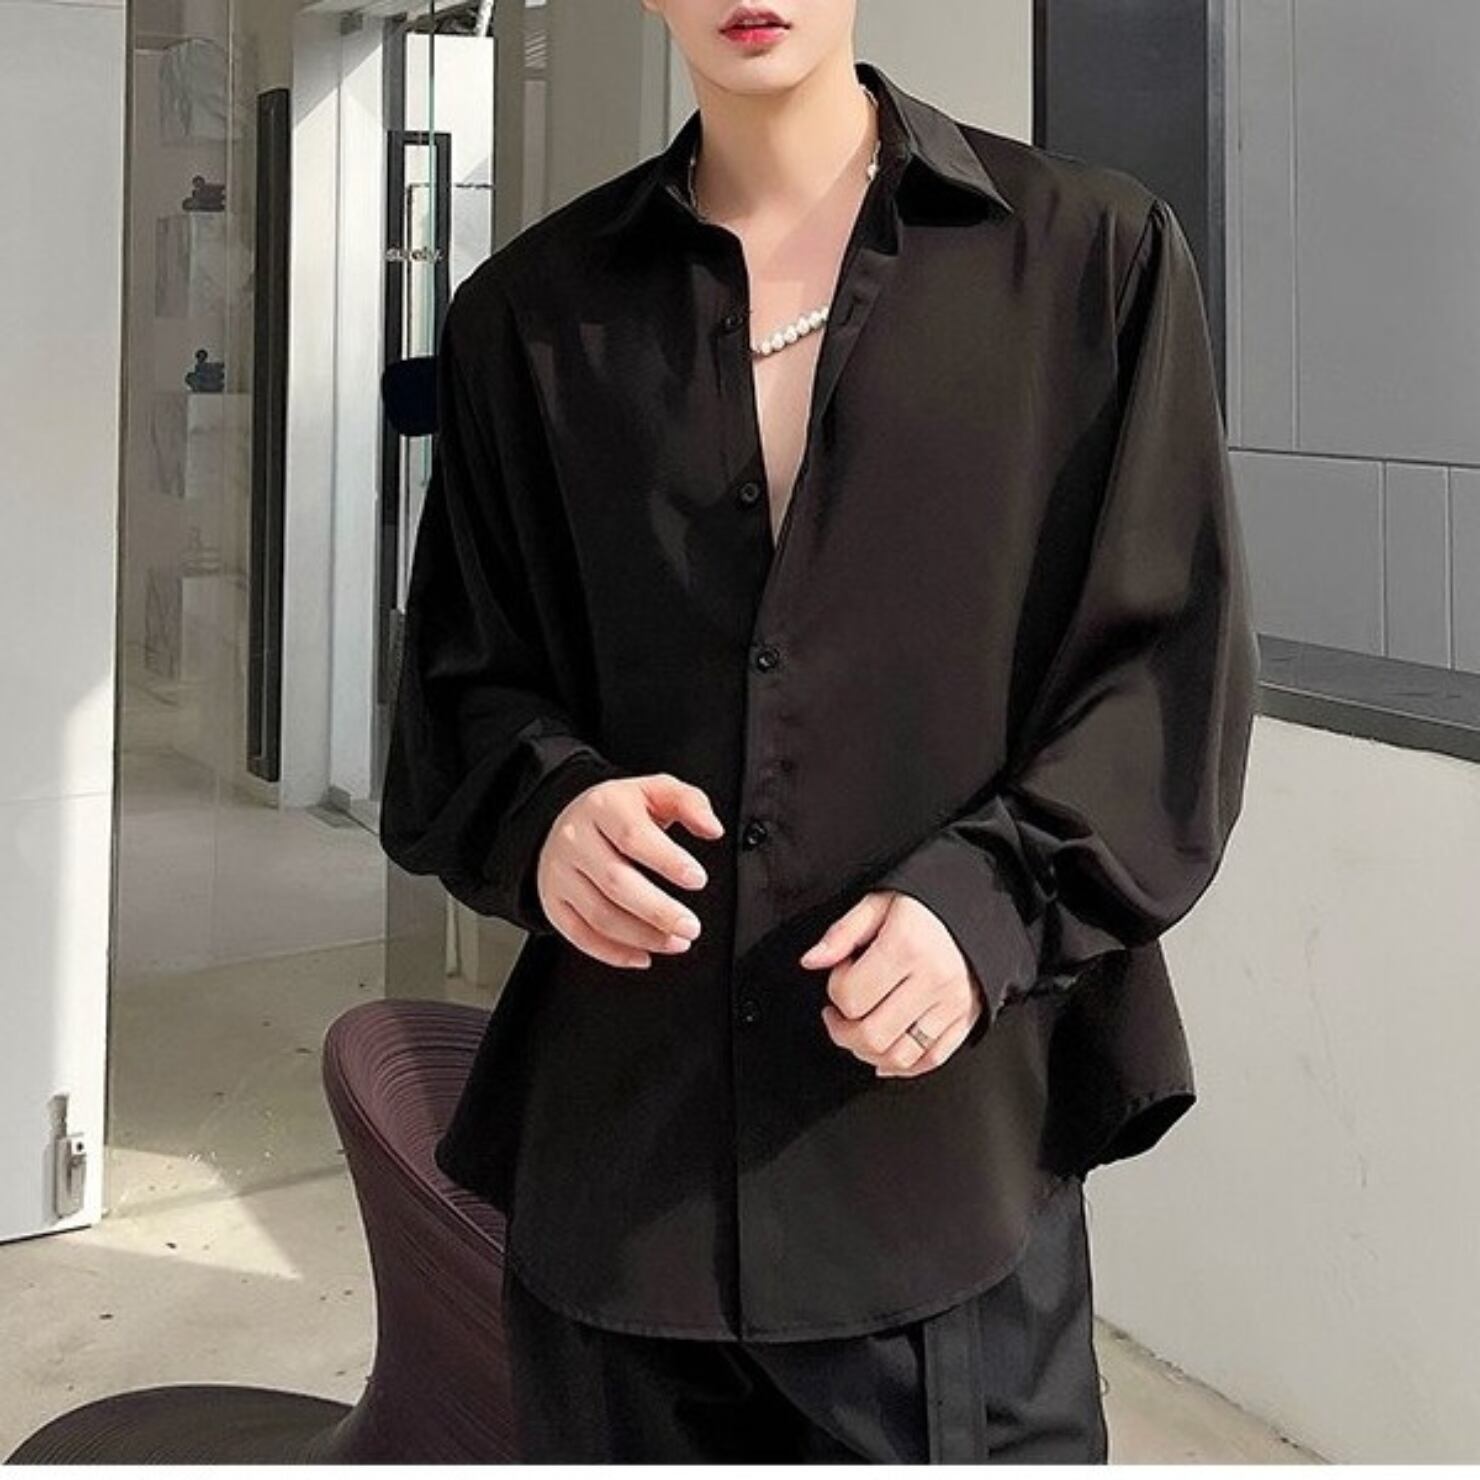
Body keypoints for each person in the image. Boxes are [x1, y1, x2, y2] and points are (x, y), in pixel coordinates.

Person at [379, 0, 1260, 1463]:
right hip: (619, 1210)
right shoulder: (526, 317)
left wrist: (985, 902)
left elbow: (1164, 679)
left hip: (938, 1189)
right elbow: (462, 690)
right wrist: (547, 813)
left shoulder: (1092, 264)